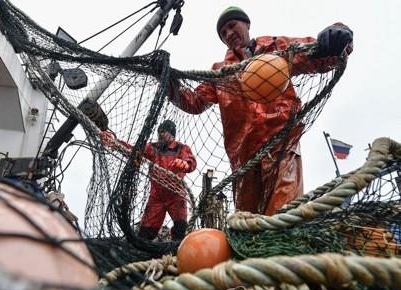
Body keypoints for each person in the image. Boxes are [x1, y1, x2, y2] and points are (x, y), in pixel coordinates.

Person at [169, 6, 353, 215]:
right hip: (243, 161)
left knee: (283, 214)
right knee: (248, 223)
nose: (229, 34)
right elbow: (193, 102)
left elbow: (317, 54)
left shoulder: (277, 48)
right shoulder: (220, 72)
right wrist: (164, 79)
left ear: (246, 24)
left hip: (281, 146)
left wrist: (339, 33)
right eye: (223, 33)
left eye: (232, 26)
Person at [101, 120, 197, 241]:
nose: (160, 135)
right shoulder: (153, 148)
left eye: (163, 132)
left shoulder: (181, 148)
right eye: (159, 132)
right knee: (146, 231)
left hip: (176, 196)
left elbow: (191, 160)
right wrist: (115, 143)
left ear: (172, 134)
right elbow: (133, 150)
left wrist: (185, 164)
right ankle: (143, 252)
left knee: (180, 228)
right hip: (156, 196)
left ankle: (175, 252)